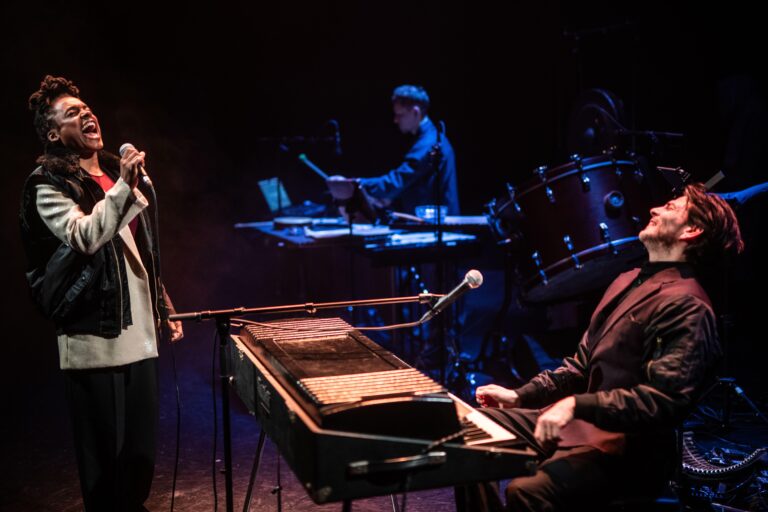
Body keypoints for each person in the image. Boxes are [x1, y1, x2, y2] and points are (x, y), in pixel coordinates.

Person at [460, 183, 744, 511]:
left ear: (692, 230)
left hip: (628, 452)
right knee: (469, 434)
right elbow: (580, 365)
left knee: (527, 492)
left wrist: (575, 406)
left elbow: (663, 401)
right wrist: (521, 395)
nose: (654, 210)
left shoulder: (687, 304)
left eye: (669, 207)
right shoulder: (628, 279)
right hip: (582, 429)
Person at [19, 75, 183, 511]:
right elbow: (85, 235)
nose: (86, 113)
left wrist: (163, 305)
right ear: (55, 133)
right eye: (71, 112)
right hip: (95, 337)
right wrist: (126, 186)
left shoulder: (113, 172)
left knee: (140, 458)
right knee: (106, 470)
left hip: (139, 332)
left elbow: (134, 248)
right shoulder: (47, 183)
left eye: (86, 107)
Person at [357, 84, 460, 216]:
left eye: (400, 115)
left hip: (440, 229)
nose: (395, 120)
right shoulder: (426, 138)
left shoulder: (429, 142)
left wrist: (358, 184)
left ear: (415, 112)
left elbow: (400, 179)